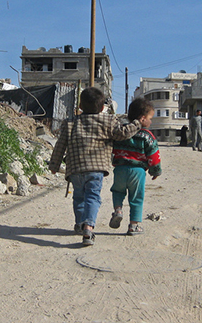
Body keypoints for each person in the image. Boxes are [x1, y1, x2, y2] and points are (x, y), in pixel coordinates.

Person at [48, 87, 142, 246]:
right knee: (92, 197)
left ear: (80, 106)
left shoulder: (70, 123)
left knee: (78, 197)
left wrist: (54, 165)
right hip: (96, 170)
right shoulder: (108, 121)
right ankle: (88, 228)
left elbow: (60, 145)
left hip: (75, 169)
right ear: (101, 107)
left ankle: (79, 224)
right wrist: (137, 123)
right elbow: (122, 133)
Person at [109, 98, 161, 236]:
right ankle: (134, 226)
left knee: (117, 191)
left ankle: (118, 210)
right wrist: (155, 171)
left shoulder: (121, 133)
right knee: (136, 198)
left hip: (120, 169)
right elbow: (154, 155)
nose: (151, 121)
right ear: (143, 119)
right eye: (150, 118)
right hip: (138, 172)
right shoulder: (147, 136)